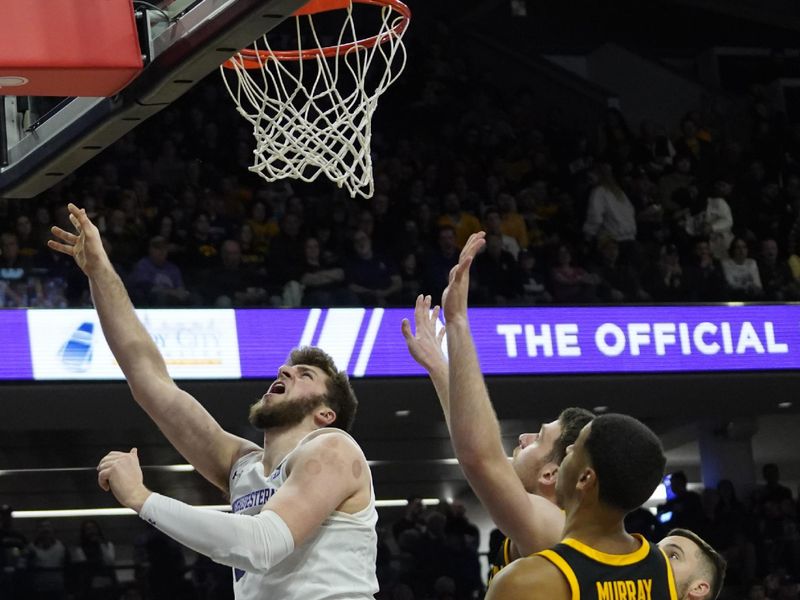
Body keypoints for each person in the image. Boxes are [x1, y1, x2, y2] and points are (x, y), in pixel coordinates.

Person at [48, 203, 378, 599]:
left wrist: (142, 498)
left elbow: (262, 544)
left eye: (305, 375)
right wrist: (100, 272)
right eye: (286, 370)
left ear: (327, 413)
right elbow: (148, 378)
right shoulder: (244, 466)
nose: (285, 373)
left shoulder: (334, 447)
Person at [402, 232, 725, 599]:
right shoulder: (649, 566)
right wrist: (441, 370)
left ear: (573, 477)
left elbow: (481, 457)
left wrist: (459, 323)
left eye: (570, 449)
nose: (523, 440)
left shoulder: (553, 537)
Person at [486, 413, 672, 599]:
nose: (568, 449)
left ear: (585, 478)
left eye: (575, 448)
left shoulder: (526, 580)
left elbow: (479, 459)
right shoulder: (660, 564)